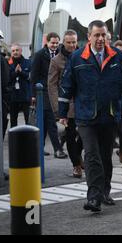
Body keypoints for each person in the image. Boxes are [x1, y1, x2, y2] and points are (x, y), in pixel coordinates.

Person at [59, 20, 122, 212]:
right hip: (86, 116)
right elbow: (67, 86)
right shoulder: (77, 58)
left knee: (105, 156)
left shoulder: (117, 57)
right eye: (97, 35)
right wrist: (62, 114)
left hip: (109, 115)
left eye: (103, 35)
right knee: (92, 154)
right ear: (89, 37)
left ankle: (104, 191)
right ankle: (93, 197)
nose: (101, 39)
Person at [48, 30, 84, 178]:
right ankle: (76, 165)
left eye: (74, 42)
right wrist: (58, 109)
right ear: (64, 42)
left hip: (82, 103)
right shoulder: (56, 61)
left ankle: (78, 156)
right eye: (69, 42)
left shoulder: (83, 55)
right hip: (67, 104)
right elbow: (52, 85)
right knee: (70, 136)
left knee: (84, 134)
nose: (71, 45)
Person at [8, 43, 32, 127]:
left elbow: (30, 78)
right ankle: (14, 139)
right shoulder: (8, 64)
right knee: (13, 121)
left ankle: (28, 139)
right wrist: (15, 72)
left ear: (21, 51)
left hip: (25, 96)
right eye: (13, 51)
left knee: (28, 120)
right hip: (13, 97)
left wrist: (21, 72)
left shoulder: (28, 63)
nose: (15, 52)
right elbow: (8, 78)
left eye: (17, 50)